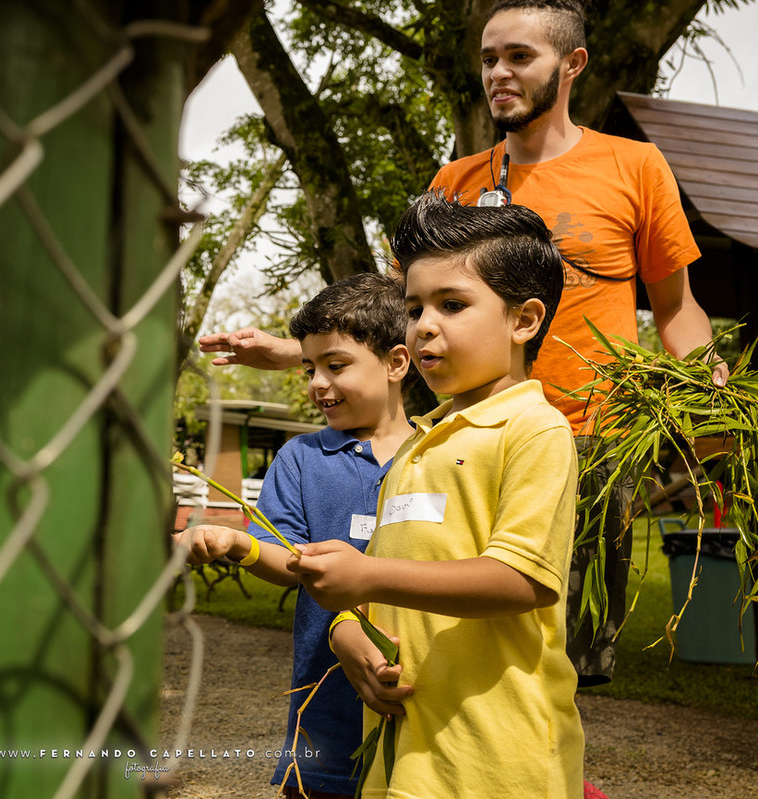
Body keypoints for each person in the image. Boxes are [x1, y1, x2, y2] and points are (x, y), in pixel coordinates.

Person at [200, 0, 728, 687]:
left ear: (572, 65)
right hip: (464, 438)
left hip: (591, 441)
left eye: (519, 57)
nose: (498, 73)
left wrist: (704, 384)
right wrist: (292, 351)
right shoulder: (455, 183)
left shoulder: (635, 166)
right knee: (436, 633)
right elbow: (393, 310)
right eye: (487, 59)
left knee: (559, 658)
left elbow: (676, 305)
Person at [288, 191, 582, 797]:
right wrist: (347, 630)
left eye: (452, 304)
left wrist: (368, 577)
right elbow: (398, 578)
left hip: (497, 762)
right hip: (403, 761)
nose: (423, 325)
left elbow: (521, 580)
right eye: (415, 306)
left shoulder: (535, 429)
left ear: (523, 320)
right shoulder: (417, 446)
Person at [174, 272, 414, 799]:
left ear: (397, 362)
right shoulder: (300, 459)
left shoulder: (442, 454)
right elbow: (288, 561)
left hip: (422, 708)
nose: (317, 384)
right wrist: (242, 545)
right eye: (310, 368)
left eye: (336, 365)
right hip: (326, 708)